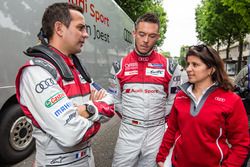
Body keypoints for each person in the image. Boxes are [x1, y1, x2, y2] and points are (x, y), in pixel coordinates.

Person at [15, 3, 114, 167]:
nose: (86, 34)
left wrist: (86, 110)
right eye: (81, 28)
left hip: (87, 159)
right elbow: (71, 134)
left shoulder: (76, 67)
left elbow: (111, 103)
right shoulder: (37, 72)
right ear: (59, 29)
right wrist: (95, 108)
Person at [109, 13, 183, 167]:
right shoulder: (118, 66)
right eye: (142, 34)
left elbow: (173, 100)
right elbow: (115, 100)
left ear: (158, 37)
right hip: (129, 130)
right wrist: (131, 117)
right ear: (134, 33)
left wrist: (157, 120)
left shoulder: (170, 67)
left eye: (152, 36)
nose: (146, 40)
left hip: (156, 131)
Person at [156, 44, 250, 167]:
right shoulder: (180, 96)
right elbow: (172, 130)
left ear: (211, 69)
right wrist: (161, 157)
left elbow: (241, 145)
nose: (188, 69)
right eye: (188, 64)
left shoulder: (231, 100)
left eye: (195, 65)